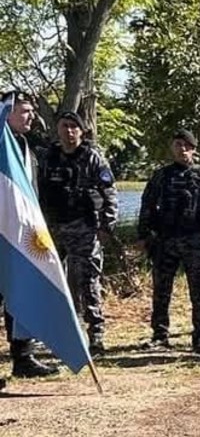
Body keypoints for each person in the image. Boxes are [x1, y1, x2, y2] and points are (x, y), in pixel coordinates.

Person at [136, 129, 200, 353]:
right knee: (161, 290)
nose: (182, 149)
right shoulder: (161, 176)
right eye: (178, 144)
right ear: (172, 148)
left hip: (196, 240)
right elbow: (147, 205)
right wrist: (143, 235)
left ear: (194, 150)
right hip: (165, 240)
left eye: (186, 145)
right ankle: (160, 335)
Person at [39, 110, 118, 355]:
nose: (69, 131)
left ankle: (95, 335)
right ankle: (56, 334)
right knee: (52, 281)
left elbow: (110, 194)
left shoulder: (92, 158)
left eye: (74, 127)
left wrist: (106, 227)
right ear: (58, 130)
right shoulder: (48, 158)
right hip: (52, 229)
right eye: (65, 126)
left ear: (82, 131)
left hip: (85, 228)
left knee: (88, 282)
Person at [0, 90, 59, 386]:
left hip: (22, 235)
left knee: (21, 293)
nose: (31, 116)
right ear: (6, 112)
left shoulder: (26, 148)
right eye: (24, 111)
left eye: (31, 111)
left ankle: (24, 357)